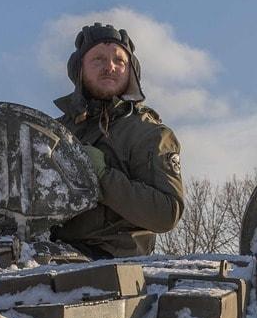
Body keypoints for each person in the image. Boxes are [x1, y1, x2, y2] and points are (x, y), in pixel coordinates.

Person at [51, 23, 184, 259]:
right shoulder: (55, 132)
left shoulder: (149, 134)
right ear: (79, 70)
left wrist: (101, 176)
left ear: (131, 70)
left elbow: (166, 213)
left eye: (119, 61)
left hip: (114, 268)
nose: (110, 67)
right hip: (47, 258)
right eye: (98, 60)